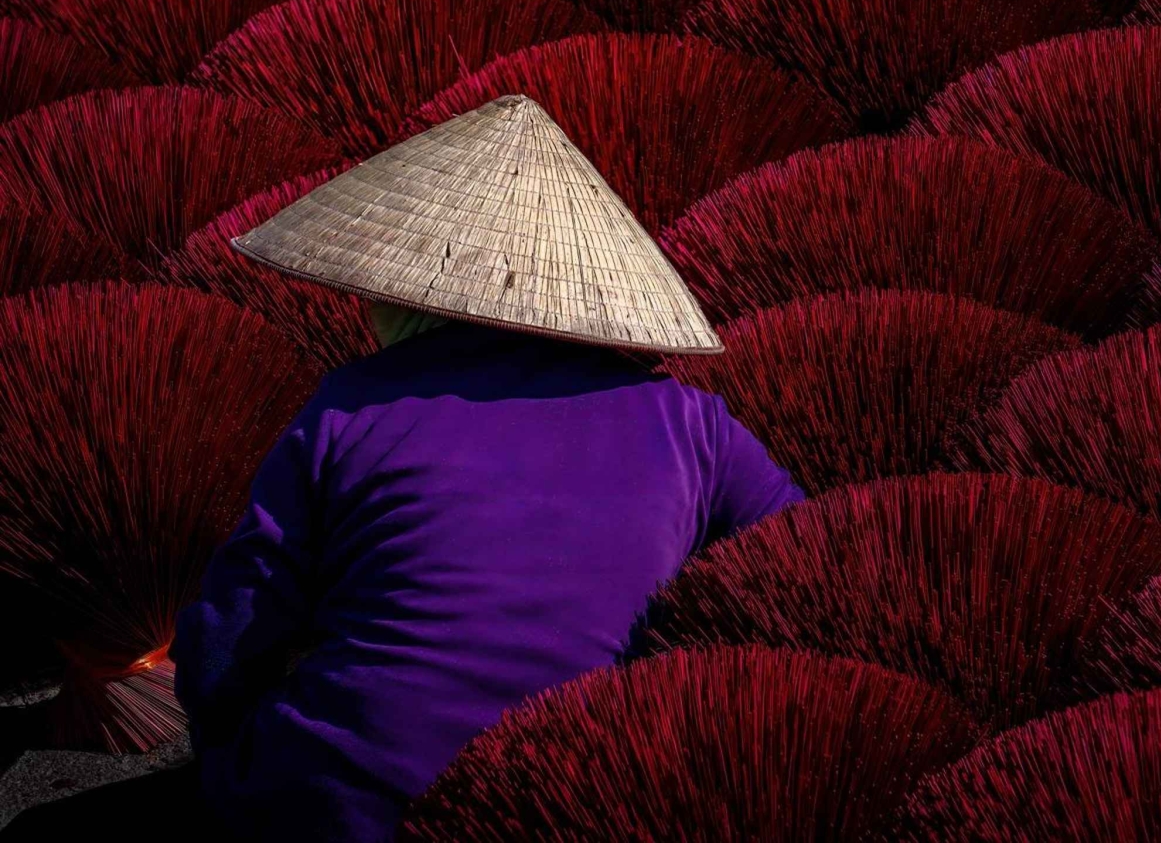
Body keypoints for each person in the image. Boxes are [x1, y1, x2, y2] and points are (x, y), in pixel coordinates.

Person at [1, 96, 803, 842]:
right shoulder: (696, 425)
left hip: (351, 804)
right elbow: (800, 569)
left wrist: (221, 748)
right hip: (596, 801)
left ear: (408, 294)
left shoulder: (351, 408)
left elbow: (232, 635)